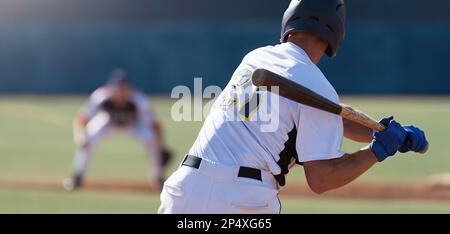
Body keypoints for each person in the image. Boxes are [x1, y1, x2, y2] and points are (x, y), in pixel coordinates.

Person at [158, 0, 428, 214]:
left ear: (290, 21)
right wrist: (377, 150)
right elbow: (322, 179)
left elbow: (331, 112)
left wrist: (386, 133)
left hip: (184, 191)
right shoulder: (317, 87)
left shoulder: (256, 57)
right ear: (335, 32)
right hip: (242, 201)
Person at [63, 69, 171, 191]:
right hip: (108, 122)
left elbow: (155, 124)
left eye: (123, 88)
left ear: (129, 89)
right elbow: (81, 119)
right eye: (117, 88)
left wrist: (160, 144)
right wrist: (79, 135)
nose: (120, 91)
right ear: (111, 88)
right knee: (86, 140)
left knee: (151, 138)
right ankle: (77, 176)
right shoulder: (100, 96)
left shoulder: (139, 100)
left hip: (134, 125)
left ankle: (157, 177)